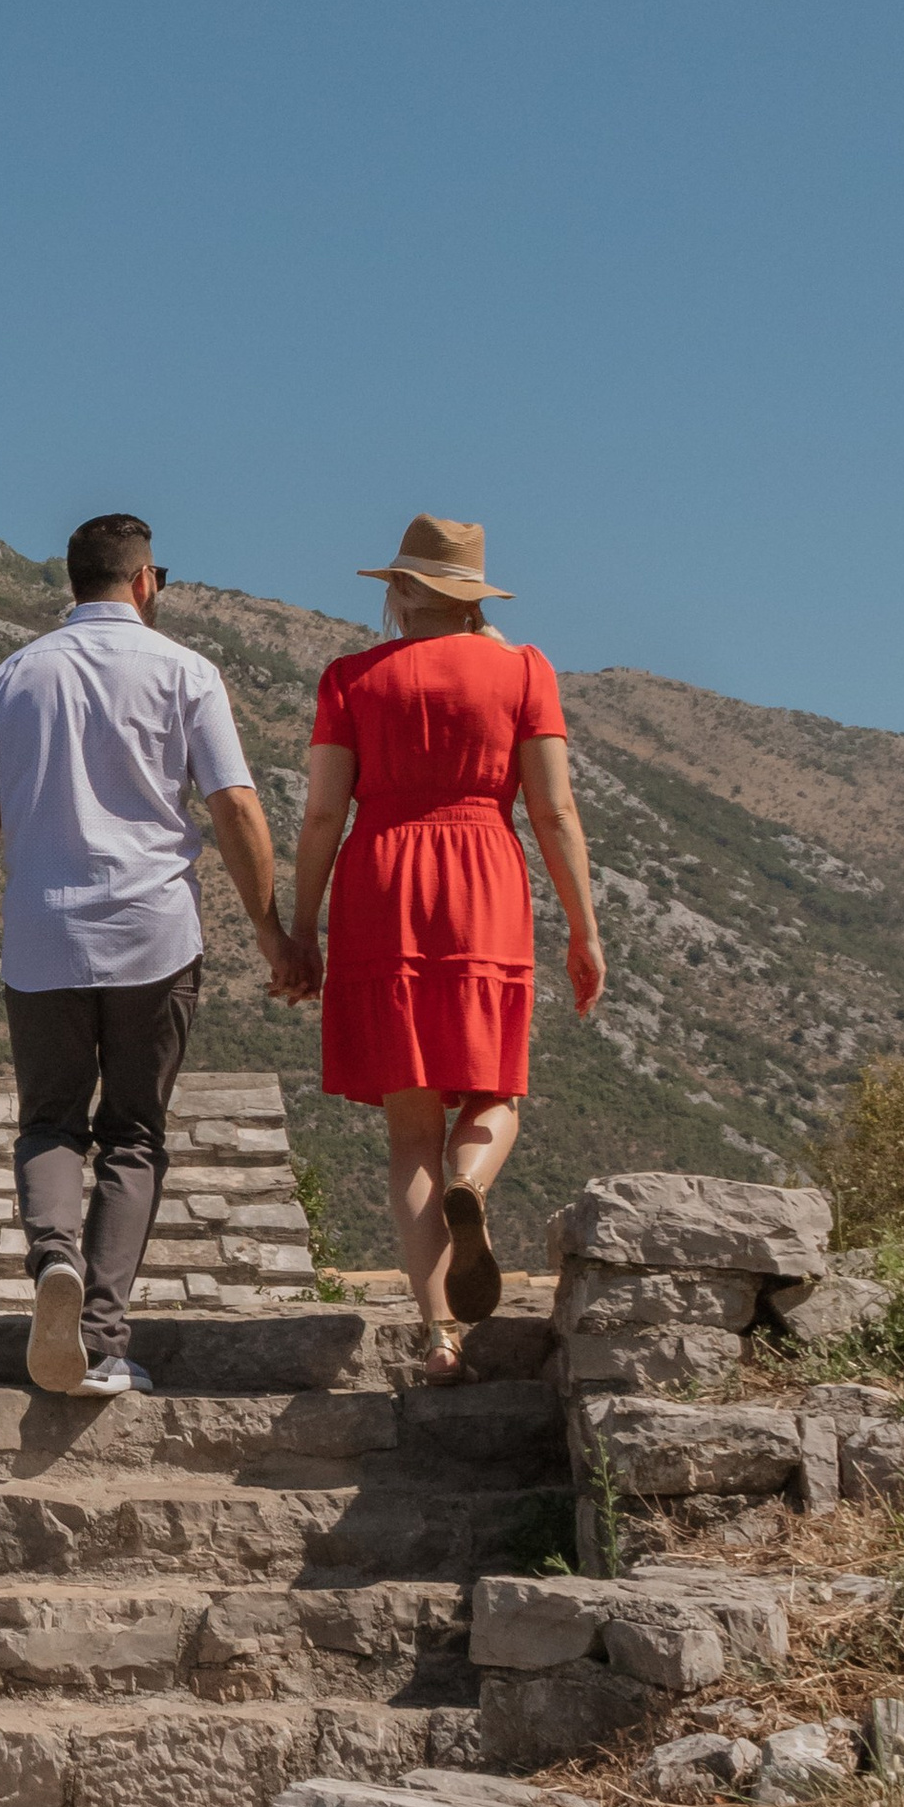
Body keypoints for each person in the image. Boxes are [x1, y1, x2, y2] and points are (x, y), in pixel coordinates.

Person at [0, 512, 309, 1394]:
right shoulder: (187, 673)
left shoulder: (8, 682)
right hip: (155, 939)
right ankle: (103, 1340)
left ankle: (53, 1261)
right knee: (135, 1136)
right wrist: (276, 938)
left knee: (49, 1123)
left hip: (41, 942)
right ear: (146, 580)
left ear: (72, 583)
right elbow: (235, 808)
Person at [282, 515, 605, 1382]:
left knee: (406, 1134)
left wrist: (301, 926)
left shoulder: (350, 678)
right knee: (495, 1087)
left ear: (399, 591)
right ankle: (474, 1173)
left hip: (381, 883)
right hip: (483, 881)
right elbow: (555, 811)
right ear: (472, 597)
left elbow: (321, 814)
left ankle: (440, 1337)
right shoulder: (525, 670)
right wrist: (583, 923)